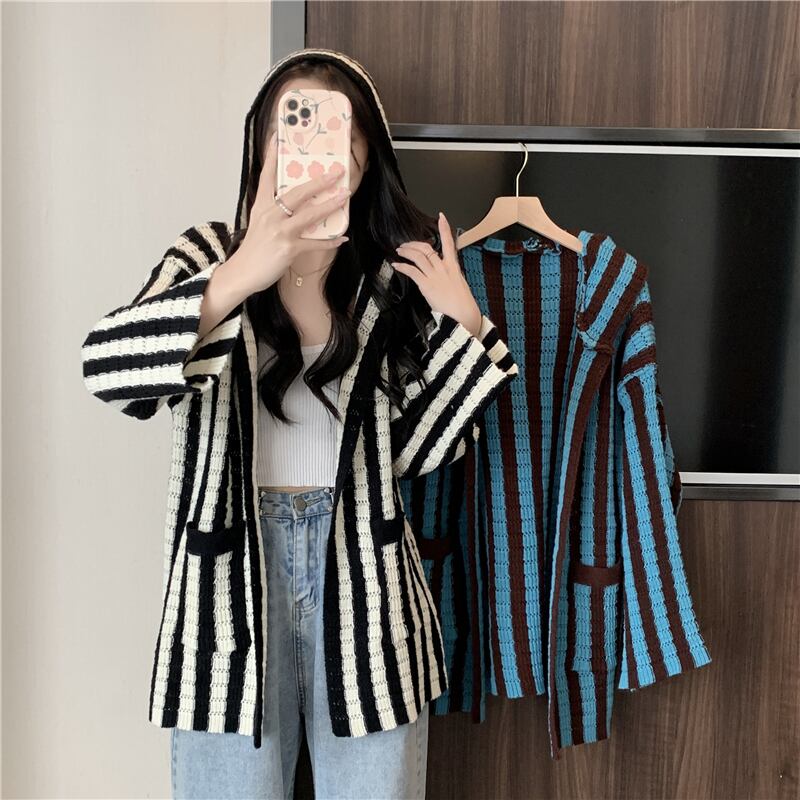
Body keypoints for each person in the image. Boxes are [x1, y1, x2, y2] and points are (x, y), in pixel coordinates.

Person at [81, 48, 518, 799]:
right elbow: (108, 371)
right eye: (291, 133)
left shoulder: (387, 280)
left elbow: (418, 453)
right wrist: (238, 277)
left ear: (364, 162)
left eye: (337, 138)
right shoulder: (208, 256)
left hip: (368, 578)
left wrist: (466, 328)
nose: (312, 156)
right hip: (226, 582)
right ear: (261, 148)